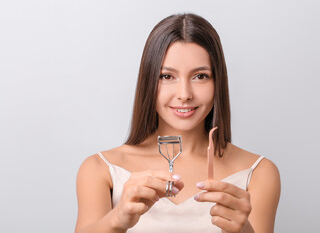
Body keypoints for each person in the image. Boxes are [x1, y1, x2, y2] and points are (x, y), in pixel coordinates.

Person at [75, 13, 281, 233]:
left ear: (218, 82)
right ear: (148, 81)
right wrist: (116, 220)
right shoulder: (100, 169)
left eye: (200, 76)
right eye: (166, 76)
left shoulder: (259, 172)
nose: (184, 94)